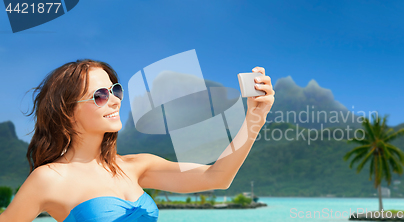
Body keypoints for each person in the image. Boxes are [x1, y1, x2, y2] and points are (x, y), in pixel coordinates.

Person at [0, 59, 274, 221]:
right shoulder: (48, 179)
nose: (116, 100)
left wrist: (254, 118)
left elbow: (217, 177)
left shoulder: (136, 166)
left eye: (115, 90)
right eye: (100, 96)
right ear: (67, 112)